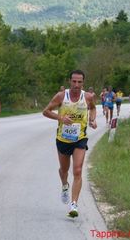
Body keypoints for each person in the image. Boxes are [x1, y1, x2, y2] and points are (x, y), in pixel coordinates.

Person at [42, 69, 97, 218]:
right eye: (74, 81)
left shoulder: (88, 97)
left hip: (80, 138)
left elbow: (92, 108)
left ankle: (74, 205)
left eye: (79, 82)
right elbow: (45, 111)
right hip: (63, 139)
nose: (76, 85)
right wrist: (60, 118)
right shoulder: (61, 96)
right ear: (69, 81)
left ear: (83, 83)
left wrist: (92, 120)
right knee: (64, 170)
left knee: (77, 170)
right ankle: (65, 185)